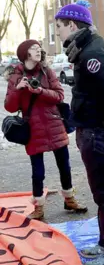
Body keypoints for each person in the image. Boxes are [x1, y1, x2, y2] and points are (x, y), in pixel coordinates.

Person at [55, 0, 104, 265]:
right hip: (93, 128)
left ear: (72, 25)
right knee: (102, 193)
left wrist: (90, 121)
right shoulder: (86, 47)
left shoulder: (92, 53)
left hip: (98, 131)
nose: (59, 32)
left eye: (59, 27)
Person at [4, 40, 87, 220]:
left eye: (39, 48)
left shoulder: (46, 71)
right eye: (35, 49)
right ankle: (39, 207)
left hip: (54, 124)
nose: (39, 51)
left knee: (64, 166)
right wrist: (18, 90)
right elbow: (10, 107)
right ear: (26, 53)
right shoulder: (16, 76)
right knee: (38, 171)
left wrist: (40, 91)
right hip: (33, 128)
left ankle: (69, 199)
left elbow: (59, 95)